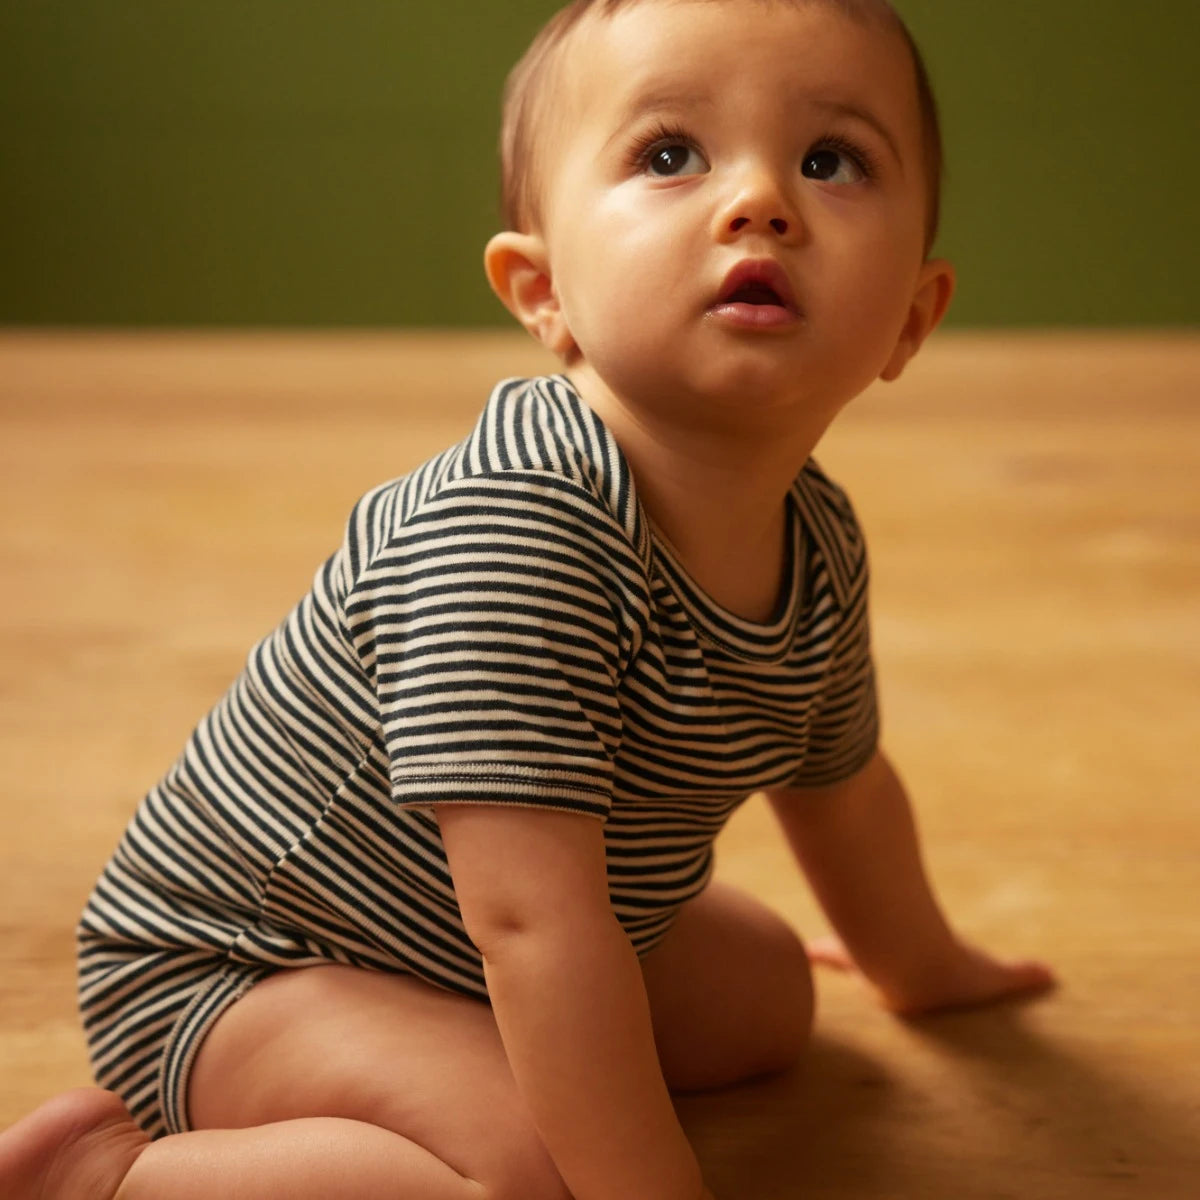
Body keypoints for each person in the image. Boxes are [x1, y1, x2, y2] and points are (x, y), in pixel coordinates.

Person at [0, 1, 1057, 1197]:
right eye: (670, 155)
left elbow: (841, 791)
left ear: (910, 319)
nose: (760, 199)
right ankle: (98, 1178)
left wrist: (925, 967)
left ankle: (485, 1057)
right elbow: (533, 930)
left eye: (832, 160)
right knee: (525, 1174)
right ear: (542, 289)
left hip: (482, 931)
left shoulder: (817, 537)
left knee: (768, 1000)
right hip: (251, 968)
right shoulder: (521, 526)